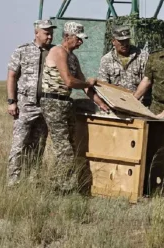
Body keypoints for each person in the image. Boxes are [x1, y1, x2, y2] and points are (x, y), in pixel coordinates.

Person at [40, 21, 96, 191]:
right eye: (78, 39)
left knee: (71, 147)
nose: (81, 42)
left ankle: (62, 187)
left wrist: (102, 104)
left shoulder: (73, 57)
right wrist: (87, 82)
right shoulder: (58, 51)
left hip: (65, 103)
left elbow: (86, 86)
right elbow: (69, 81)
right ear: (67, 37)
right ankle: (55, 190)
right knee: (65, 153)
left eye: (82, 39)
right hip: (53, 103)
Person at [6, 20, 57, 187]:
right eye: (46, 33)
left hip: (46, 107)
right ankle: (13, 182)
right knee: (19, 144)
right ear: (37, 33)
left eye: (51, 33)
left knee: (39, 145)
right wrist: (12, 101)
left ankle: (32, 181)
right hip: (25, 106)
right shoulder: (23, 50)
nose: (50, 36)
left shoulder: (56, 52)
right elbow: (12, 76)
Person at [98, 26, 151, 106]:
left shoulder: (142, 56)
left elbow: (148, 80)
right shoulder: (106, 60)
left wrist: (134, 100)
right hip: (116, 104)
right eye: (121, 41)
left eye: (126, 40)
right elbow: (104, 85)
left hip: (140, 104)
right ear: (113, 41)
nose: (125, 44)